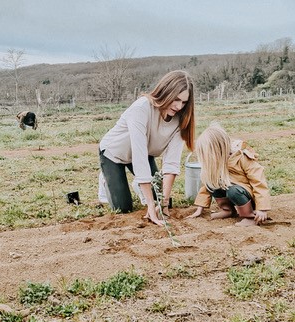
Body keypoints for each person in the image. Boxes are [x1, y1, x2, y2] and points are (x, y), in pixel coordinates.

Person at [99, 70, 195, 225]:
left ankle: (140, 184)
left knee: (163, 201)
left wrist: (163, 202)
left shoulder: (181, 119)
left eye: (184, 102)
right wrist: (150, 205)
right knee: (123, 208)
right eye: (176, 99)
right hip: (114, 153)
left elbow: (171, 163)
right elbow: (139, 154)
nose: (179, 106)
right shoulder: (141, 108)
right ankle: (106, 179)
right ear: (165, 92)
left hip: (146, 153)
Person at [188, 122, 270, 226]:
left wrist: (262, 208)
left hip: (246, 196)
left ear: (219, 149)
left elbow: (259, 182)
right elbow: (206, 185)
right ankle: (228, 210)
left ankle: (249, 216)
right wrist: (200, 208)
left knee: (233, 191)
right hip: (231, 189)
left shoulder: (241, 158)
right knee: (211, 184)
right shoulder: (216, 162)